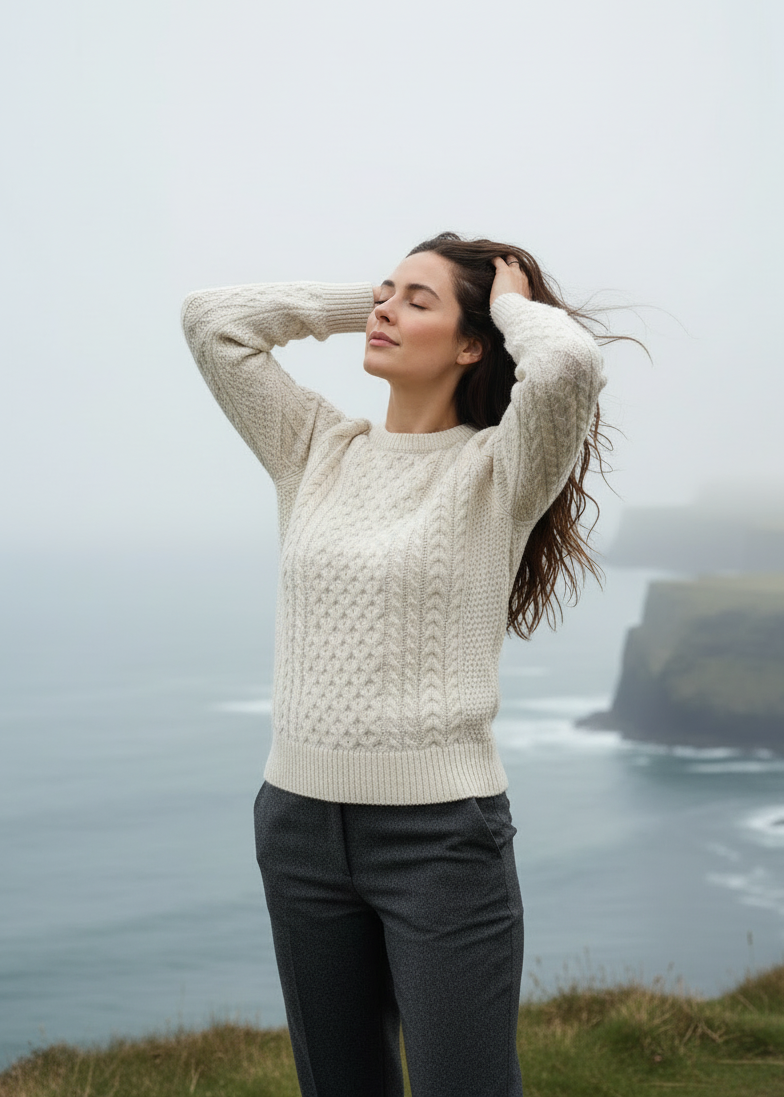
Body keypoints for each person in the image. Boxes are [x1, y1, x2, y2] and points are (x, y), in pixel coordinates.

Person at [181, 232, 609, 1097]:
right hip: (296, 826)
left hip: (439, 838)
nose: (385, 309)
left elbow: (566, 369)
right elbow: (213, 322)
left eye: (420, 302)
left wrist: (515, 304)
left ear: (474, 341)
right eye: (387, 292)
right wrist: (369, 298)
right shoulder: (314, 449)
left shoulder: (500, 469)